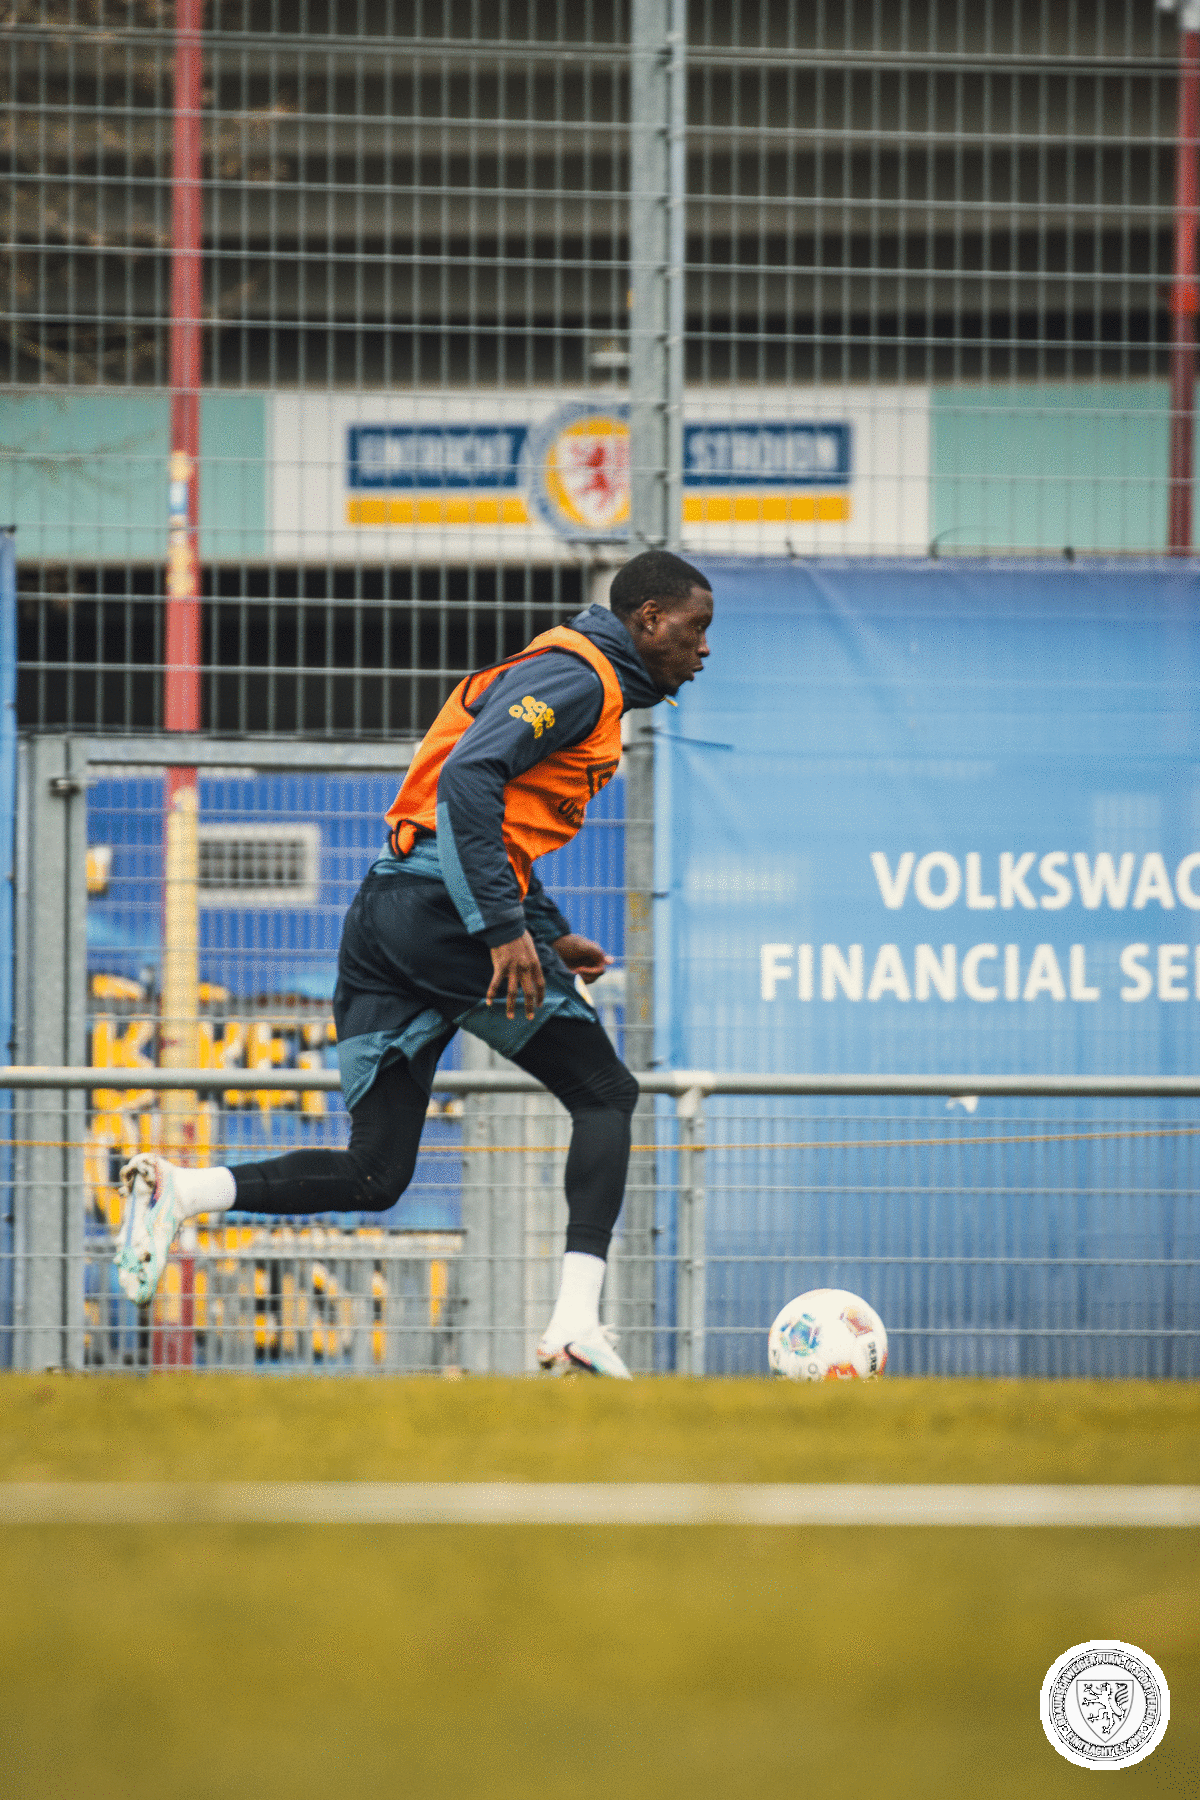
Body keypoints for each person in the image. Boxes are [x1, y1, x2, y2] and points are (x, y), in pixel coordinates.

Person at [114, 548, 714, 1378]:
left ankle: (179, 1193)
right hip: (440, 915)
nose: (703, 648)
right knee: (605, 1093)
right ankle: (577, 1319)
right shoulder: (581, 679)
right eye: (696, 627)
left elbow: (497, 824)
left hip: (389, 913)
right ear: (649, 619)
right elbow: (470, 778)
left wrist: (546, 930)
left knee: (375, 1173)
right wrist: (502, 930)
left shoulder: (578, 678)